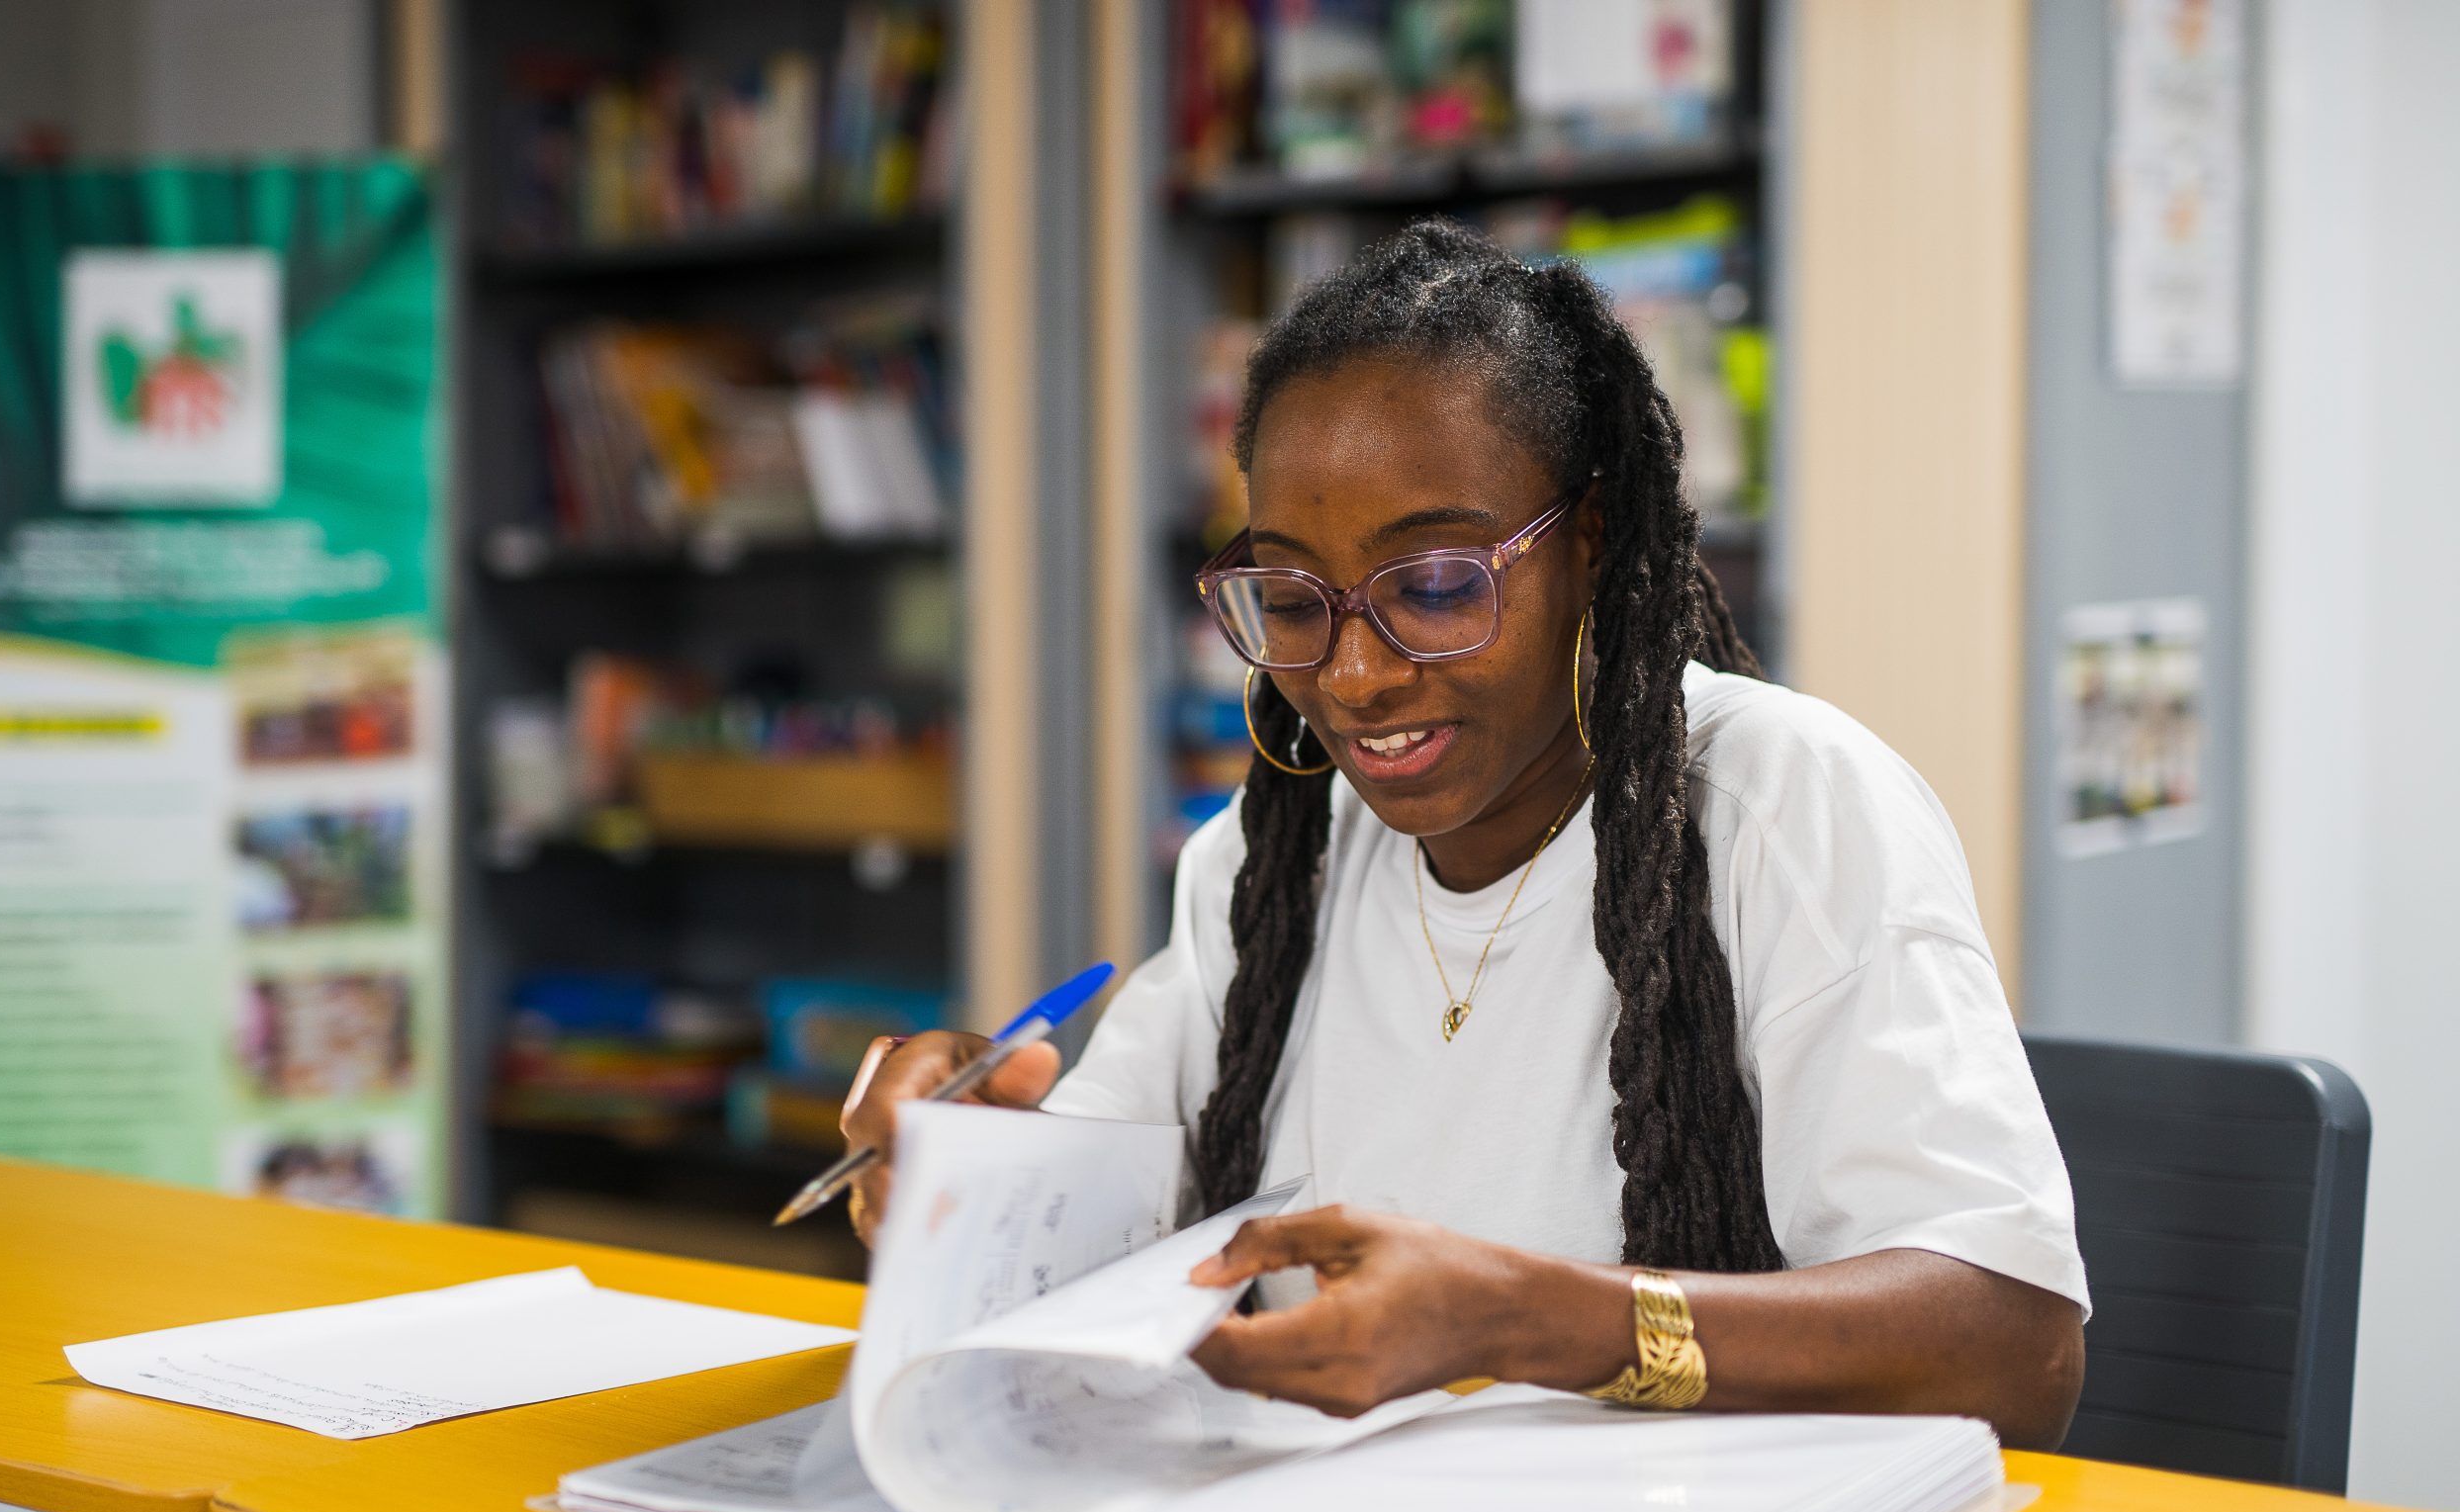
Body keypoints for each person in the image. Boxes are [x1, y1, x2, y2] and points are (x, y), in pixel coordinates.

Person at [842, 222, 2087, 1449]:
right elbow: (1091, 1237)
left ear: (1589, 545)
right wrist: (963, 1174)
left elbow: (2013, 1349)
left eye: (1436, 586)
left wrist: (1525, 1321)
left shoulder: (1783, 804)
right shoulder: (1267, 864)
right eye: (1290, 599)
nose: (1356, 673)